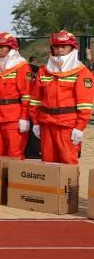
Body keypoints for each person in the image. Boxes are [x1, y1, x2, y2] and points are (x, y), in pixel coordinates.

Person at [31, 30, 93, 165]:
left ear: (72, 48)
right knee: (47, 163)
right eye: (56, 46)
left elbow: (85, 105)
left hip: (68, 126)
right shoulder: (43, 71)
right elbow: (35, 100)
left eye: (64, 46)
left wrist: (79, 127)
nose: (59, 50)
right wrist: (35, 123)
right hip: (46, 124)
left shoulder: (82, 73)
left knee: (68, 163)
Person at [0, 32, 32, 159]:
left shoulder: (21, 66)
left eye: (2, 47)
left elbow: (26, 95)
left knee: (15, 155)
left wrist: (24, 118)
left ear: (11, 48)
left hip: (13, 118)